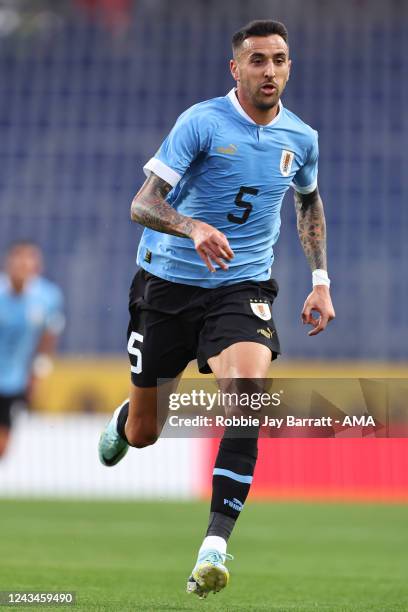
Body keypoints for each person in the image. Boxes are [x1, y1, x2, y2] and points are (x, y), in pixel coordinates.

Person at [99, 19, 335, 598]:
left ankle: (215, 545)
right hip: (167, 287)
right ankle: (126, 418)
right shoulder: (201, 122)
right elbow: (142, 204)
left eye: (280, 59)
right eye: (258, 60)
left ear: (289, 65)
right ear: (236, 68)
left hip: (242, 286)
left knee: (249, 389)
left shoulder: (301, 138)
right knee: (146, 430)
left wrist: (321, 279)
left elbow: (308, 201)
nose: (270, 71)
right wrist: (191, 225)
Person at [0, 241, 65, 458]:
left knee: (3, 446)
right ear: (9, 263)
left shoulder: (48, 297)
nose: (24, 264)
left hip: (14, 381)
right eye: (19, 258)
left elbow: (48, 339)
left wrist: (37, 374)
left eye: (30, 259)